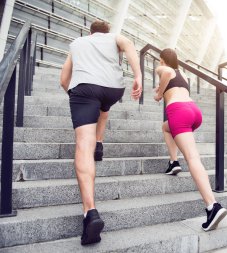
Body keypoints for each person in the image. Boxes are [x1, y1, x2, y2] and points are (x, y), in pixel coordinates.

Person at [60, 20, 142, 245]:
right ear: (107, 32)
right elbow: (129, 44)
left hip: (86, 88)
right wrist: (138, 76)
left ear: (90, 32)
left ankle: (90, 212)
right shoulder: (115, 38)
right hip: (113, 89)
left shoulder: (77, 43)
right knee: (103, 107)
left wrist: (76, 96)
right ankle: (100, 142)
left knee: (82, 144)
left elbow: (63, 79)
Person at [154, 48, 227, 231]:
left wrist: (158, 93)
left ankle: (212, 206)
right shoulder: (184, 75)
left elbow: (166, 73)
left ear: (162, 60)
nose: (159, 64)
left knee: (193, 158)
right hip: (193, 112)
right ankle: (173, 162)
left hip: (179, 111)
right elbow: (174, 78)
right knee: (166, 127)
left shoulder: (163, 68)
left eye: (160, 61)